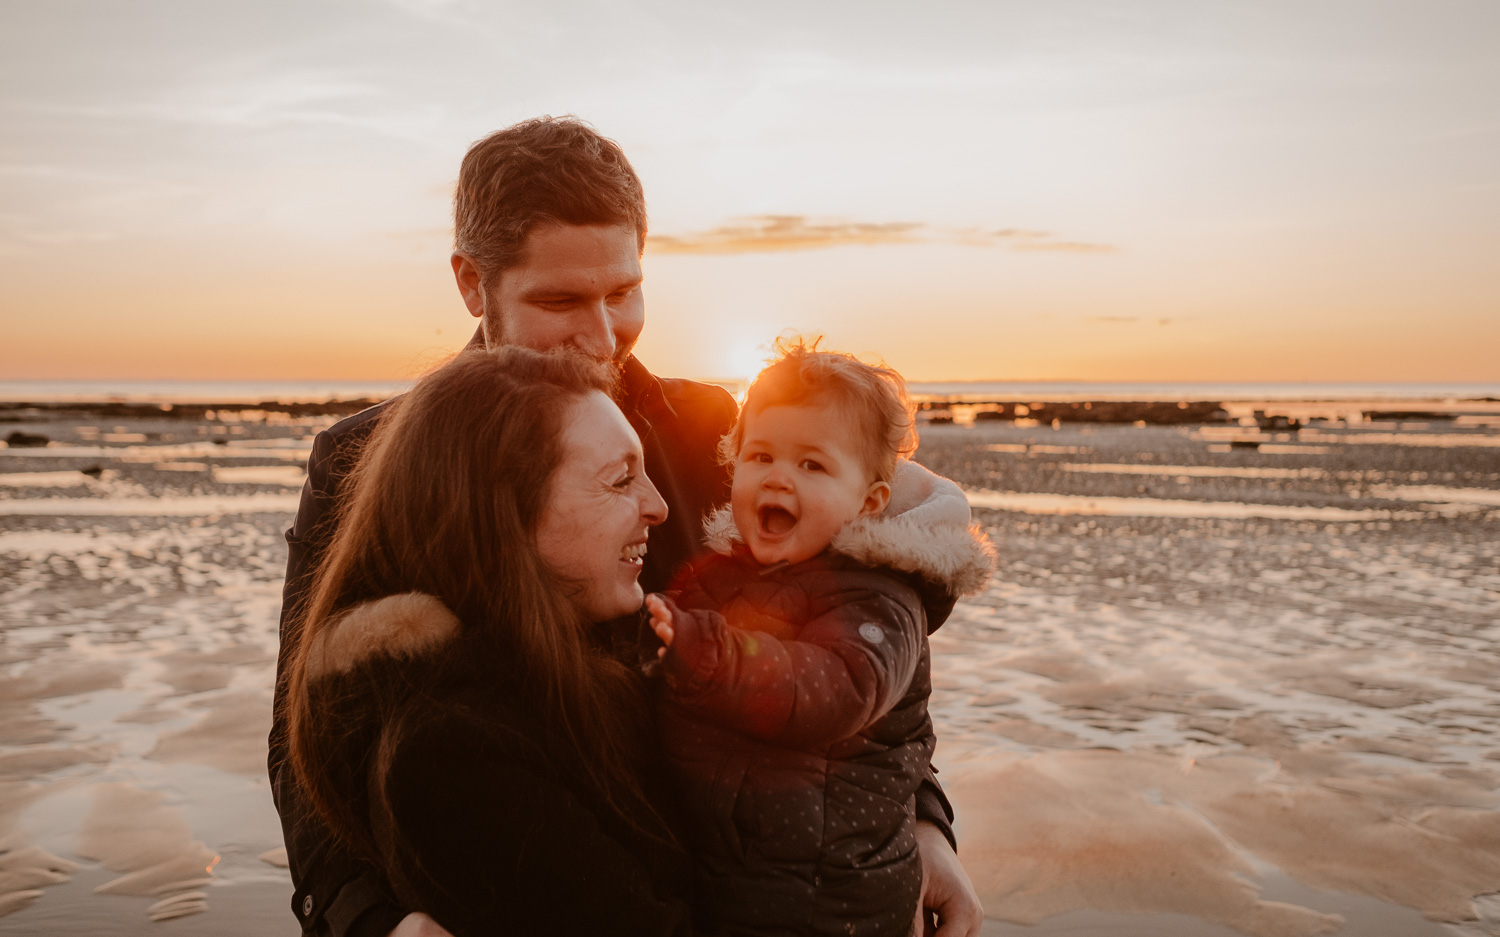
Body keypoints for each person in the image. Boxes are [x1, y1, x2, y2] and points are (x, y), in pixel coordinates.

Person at [269, 116, 984, 937]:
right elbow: (314, 727)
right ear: (473, 283)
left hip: (729, 874)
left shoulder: (717, 431)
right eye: (561, 299)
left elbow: (846, 633)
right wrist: (370, 922)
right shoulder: (371, 460)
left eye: (623, 292)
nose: (602, 335)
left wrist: (923, 819)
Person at [285, 347, 695, 936]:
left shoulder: (573, 667)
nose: (657, 506)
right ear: (507, 511)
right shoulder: (458, 756)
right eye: (620, 480)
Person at [644, 342, 994, 937]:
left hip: (832, 904)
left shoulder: (880, 599)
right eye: (760, 456)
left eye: (812, 465)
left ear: (868, 501)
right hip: (738, 884)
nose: (779, 476)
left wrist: (701, 649)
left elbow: (835, 689)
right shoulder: (726, 576)